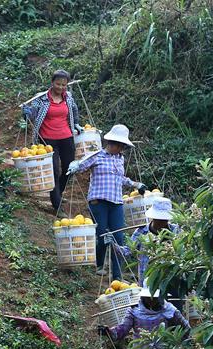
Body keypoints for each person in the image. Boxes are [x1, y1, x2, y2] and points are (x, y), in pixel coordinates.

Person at [67, 124, 146, 280]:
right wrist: (74, 166)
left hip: (116, 202)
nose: (121, 149)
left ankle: (117, 276)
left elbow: (120, 178)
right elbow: (82, 166)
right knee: (103, 235)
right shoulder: (97, 156)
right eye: (120, 146)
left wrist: (136, 184)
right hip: (98, 202)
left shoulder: (120, 159)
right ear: (112, 143)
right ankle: (99, 264)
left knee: (118, 239)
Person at [21, 70, 82, 211]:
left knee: (69, 168)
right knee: (53, 170)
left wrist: (77, 123)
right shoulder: (41, 99)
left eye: (64, 85)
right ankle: (57, 205)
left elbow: (74, 110)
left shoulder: (69, 97)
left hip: (66, 137)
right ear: (52, 83)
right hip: (47, 140)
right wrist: (26, 113)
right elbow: (31, 115)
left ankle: (57, 193)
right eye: (58, 84)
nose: (60, 87)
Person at [115, 196, 181, 287]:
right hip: (147, 281)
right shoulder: (142, 232)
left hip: (170, 280)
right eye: (159, 219)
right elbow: (127, 252)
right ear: (153, 218)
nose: (161, 223)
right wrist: (113, 245)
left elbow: (182, 252)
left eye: (164, 220)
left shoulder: (175, 231)